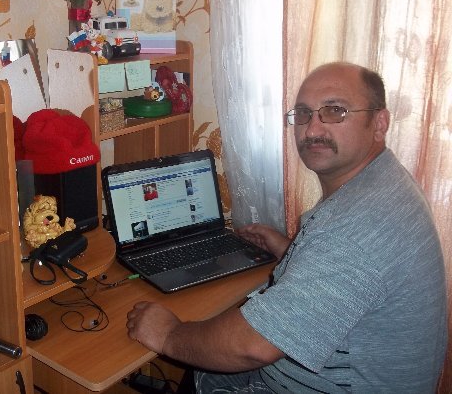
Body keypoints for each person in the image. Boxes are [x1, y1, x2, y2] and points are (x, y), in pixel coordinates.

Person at [126, 62, 448, 393]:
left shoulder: (358, 227)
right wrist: (291, 253)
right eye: (304, 114)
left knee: (197, 349)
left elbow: (253, 347)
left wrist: (167, 334)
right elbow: (349, 277)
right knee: (201, 360)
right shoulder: (380, 183)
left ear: (379, 123)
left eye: (335, 111)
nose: (312, 129)